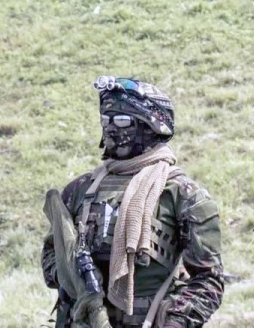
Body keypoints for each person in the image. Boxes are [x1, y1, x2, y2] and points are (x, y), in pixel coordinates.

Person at [42, 76, 224, 328]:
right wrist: (71, 277)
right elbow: (51, 253)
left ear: (150, 126)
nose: (111, 128)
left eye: (122, 121)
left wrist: (174, 321)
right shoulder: (79, 190)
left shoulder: (183, 195)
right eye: (106, 120)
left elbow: (208, 280)